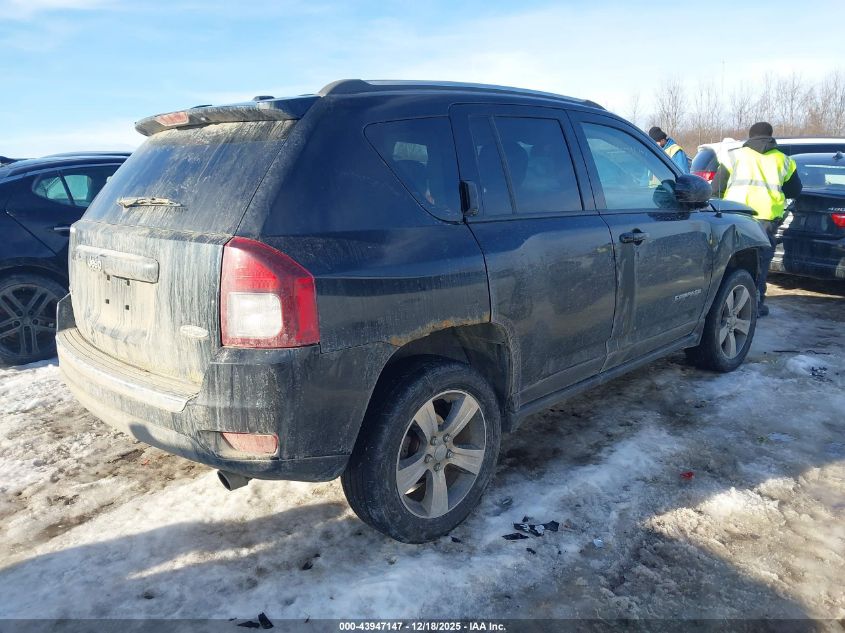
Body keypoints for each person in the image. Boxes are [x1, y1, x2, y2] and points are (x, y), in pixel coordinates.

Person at [711, 122, 803, 317]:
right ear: (770, 135)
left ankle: (728, 304)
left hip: (736, 215)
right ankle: (755, 305)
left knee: (732, 259)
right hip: (766, 219)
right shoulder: (783, 160)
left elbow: (716, 189)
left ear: (750, 136)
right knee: (759, 262)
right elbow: (794, 190)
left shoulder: (734, 156)